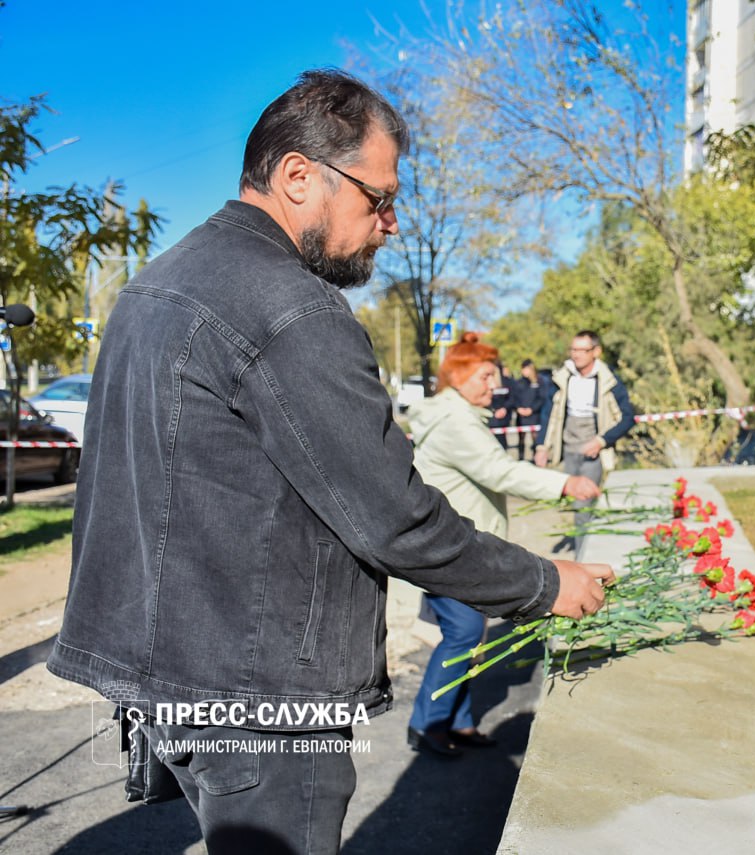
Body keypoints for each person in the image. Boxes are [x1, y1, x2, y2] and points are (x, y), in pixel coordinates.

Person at [45, 70, 613, 855]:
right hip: (263, 697)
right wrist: (545, 582)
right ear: (298, 175)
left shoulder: (152, 287)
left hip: (175, 682)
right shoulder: (293, 310)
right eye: (376, 199)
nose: (389, 223)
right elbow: (397, 518)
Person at [405, 334, 600, 757]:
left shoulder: (461, 415)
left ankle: (456, 722)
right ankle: (427, 724)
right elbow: (501, 473)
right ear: (457, 377)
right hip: (451, 552)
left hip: (459, 547)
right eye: (485, 376)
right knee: (463, 635)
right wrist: (564, 483)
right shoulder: (455, 423)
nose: (494, 384)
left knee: (470, 637)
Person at [534, 331, 636, 544]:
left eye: (583, 350)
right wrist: (542, 446)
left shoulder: (609, 381)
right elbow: (548, 413)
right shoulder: (562, 377)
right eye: (573, 349)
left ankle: (584, 557)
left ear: (596, 352)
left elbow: (628, 418)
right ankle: (586, 543)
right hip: (568, 450)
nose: (577, 355)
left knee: (584, 507)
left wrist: (601, 441)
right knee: (571, 503)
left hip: (593, 453)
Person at [512, 358, 547, 461]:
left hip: (534, 416)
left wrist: (532, 409)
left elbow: (542, 398)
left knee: (535, 438)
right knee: (521, 439)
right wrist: (518, 408)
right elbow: (514, 397)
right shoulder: (518, 383)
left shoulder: (539, 382)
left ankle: (536, 459)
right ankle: (521, 458)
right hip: (521, 416)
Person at [487, 360, 514, 450]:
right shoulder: (486, 383)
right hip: (490, 416)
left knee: (502, 441)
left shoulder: (507, 382)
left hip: (503, 417)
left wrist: (504, 409)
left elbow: (512, 398)